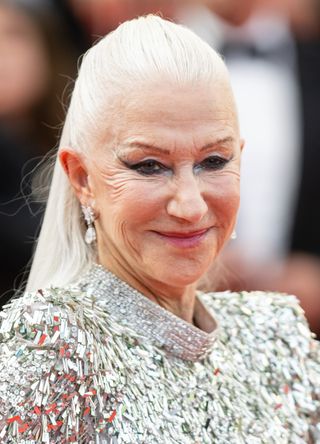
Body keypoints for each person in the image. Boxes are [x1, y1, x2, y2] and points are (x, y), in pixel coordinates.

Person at [0, 15, 319, 443]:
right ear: (82, 178)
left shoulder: (279, 335)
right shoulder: (44, 349)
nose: (190, 205)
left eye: (214, 161)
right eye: (149, 166)